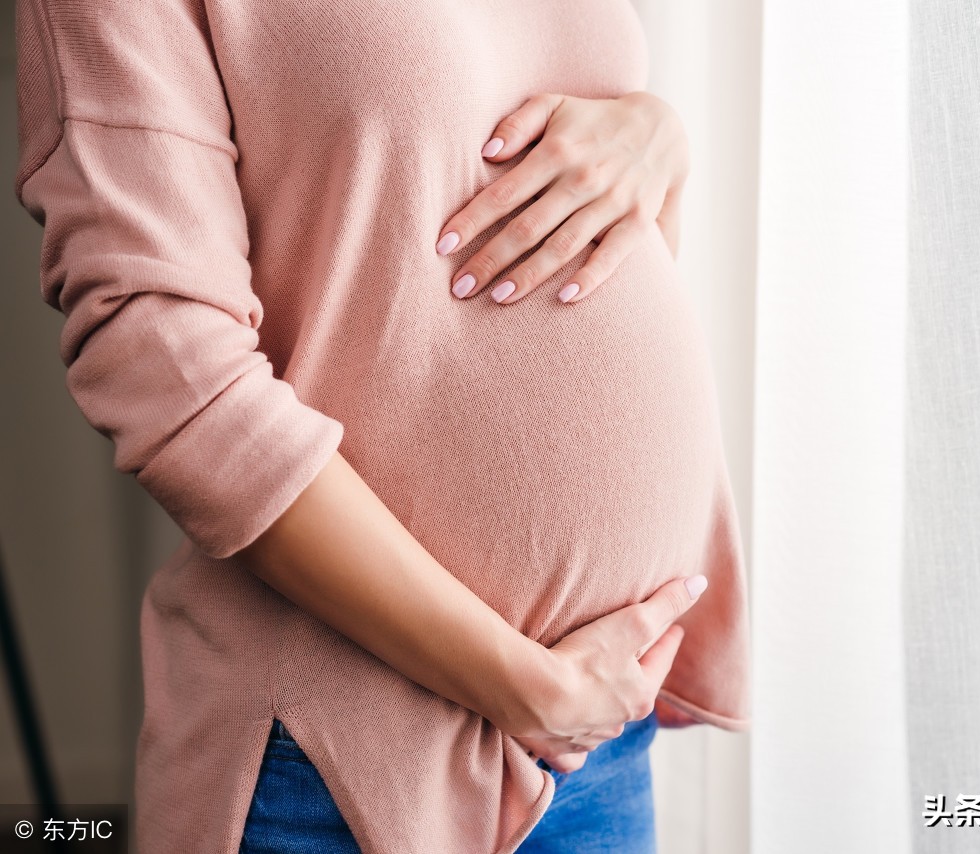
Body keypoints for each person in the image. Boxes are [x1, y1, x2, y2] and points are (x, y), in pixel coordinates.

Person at [13, 1, 752, 851]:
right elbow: (165, 369)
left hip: (602, 731)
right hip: (347, 762)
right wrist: (525, 687)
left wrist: (659, 140)